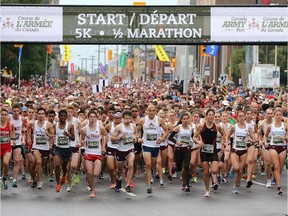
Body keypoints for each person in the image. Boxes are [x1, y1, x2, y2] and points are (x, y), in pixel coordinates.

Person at [193, 109, 226, 197]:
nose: (211, 116)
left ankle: (212, 174)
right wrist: (199, 142)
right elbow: (194, 137)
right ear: (206, 116)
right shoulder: (201, 126)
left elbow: (224, 134)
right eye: (209, 115)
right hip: (204, 151)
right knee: (206, 172)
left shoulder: (217, 126)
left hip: (213, 150)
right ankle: (207, 190)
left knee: (214, 170)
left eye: (213, 115)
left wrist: (223, 144)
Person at [136, 104, 168, 194]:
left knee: (152, 164)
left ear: (155, 111)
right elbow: (136, 131)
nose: (151, 112)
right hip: (146, 145)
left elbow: (167, 131)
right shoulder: (143, 120)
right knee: (148, 164)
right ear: (147, 111)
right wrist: (138, 138)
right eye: (150, 110)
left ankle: (151, 173)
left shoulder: (159, 120)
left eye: (153, 111)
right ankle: (149, 185)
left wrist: (161, 138)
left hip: (156, 146)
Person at [80, 110, 107, 198]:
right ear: (88, 118)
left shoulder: (100, 127)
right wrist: (82, 143)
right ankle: (93, 190)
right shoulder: (84, 129)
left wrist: (103, 146)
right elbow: (82, 139)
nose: (92, 119)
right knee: (89, 172)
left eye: (94, 117)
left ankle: (91, 183)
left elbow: (105, 135)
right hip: (88, 153)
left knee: (95, 173)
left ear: (96, 118)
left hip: (98, 153)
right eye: (90, 117)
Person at [227, 110, 255, 195]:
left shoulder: (248, 127)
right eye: (240, 116)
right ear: (237, 117)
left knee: (240, 170)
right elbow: (228, 136)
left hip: (243, 151)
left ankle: (235, 186)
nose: (242, 118)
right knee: (236, 168)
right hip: (235, 150)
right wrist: (227, 144)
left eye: (243, 116)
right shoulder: (234, 127)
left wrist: (251, 139)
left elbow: (253, 138)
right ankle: (232, 169)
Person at [27, 107, 54, 189]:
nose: (41, 115)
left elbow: (53, 136)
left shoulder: (49, 124)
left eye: (42, 114)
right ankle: (39, 181)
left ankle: (35, 178)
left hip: (45, 148)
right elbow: (28, 129)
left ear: (45, 115)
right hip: (36, 147)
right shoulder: (32, 123)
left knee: (40, 165)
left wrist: (47, 134)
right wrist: (28, 138)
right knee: (38, 162)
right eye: (39, 114)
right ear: (37, 115)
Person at [169, 113, 195, 192]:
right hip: (179, 149)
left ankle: (186, 184)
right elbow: (170, 137)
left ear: (189, 119)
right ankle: (175, 167)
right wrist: (177, 142)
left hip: (187, 149)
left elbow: (192, 137)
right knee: (180, 168)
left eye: (187, 119)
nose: (186, 120)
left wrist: (192, 143)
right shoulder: (178, 127)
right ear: (181, 120)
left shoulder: (190, 128)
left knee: (186, 166)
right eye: (184, 119)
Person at [111, 110, 136, 192]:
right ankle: (118, 178)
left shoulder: (133, 126)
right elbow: (112, 139)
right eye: (126, 119)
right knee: (119, 170)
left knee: (131, 165)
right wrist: (121, 137)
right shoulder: (119, 127)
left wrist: (136, 138)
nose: (128, 120)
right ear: (122, 119)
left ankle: (128, 184)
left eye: (129, 118)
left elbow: (136, 134)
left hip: (130, 149)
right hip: (120, 150)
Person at [264, 108, 287, 195]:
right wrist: (265, 142)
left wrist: (284, 138)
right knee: (276, 166)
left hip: (283, 147)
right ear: (274, 116)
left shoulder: (285, 125)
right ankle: (279, 187)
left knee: (280, 168)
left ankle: (275, 175)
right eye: (276, 115)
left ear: (282, 116)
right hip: (273, 146)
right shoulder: (271, 126)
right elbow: (265, 136)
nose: (278, 116)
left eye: (279, 115)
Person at [54, 109, 75, 192]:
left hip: (67, 149)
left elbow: (73, 138)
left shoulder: (70, 126)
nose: (63, 117)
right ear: (59, 116)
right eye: (61, 115)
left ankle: (64, 175)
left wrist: (68, 135)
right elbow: (53, 137)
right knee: (56, 165)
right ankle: (58, 184)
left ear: (66, 117)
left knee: (64, 167)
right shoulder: (55, 126)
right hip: (58, 148)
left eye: (64, 116)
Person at [9, 104, 26, 188]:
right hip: (8, 142)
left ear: (20, 111)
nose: (16, 113)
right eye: (14, 111)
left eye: (17, 111)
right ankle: (3, 175)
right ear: (12, 111)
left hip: (18, 143)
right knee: (6, 162)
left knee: (17, 161)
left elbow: (23, 130)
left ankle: (14, 180)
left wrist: (23, 139)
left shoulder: (22, 119)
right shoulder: (9, 118)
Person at [105, 111, 122, 189]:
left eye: (119, 118)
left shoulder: (124, 126)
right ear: (114, 118)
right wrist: (103, 146)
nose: (118, 120)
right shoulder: (109, 126)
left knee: (118, 168)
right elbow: (104, 135)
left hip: (120, 148)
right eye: (116, 118)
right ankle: (113, 181)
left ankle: (118, 178)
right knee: (111, 167)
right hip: (111, 147)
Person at [0, 108, 16, 190]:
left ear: (7, 116)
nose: (3, 116)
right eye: (2, 114)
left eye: (5, 115)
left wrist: (13, 140)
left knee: (6, 163)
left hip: (7, 148)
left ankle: (5, 179)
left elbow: (13, 133)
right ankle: (0, 178)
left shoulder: (11, 124)